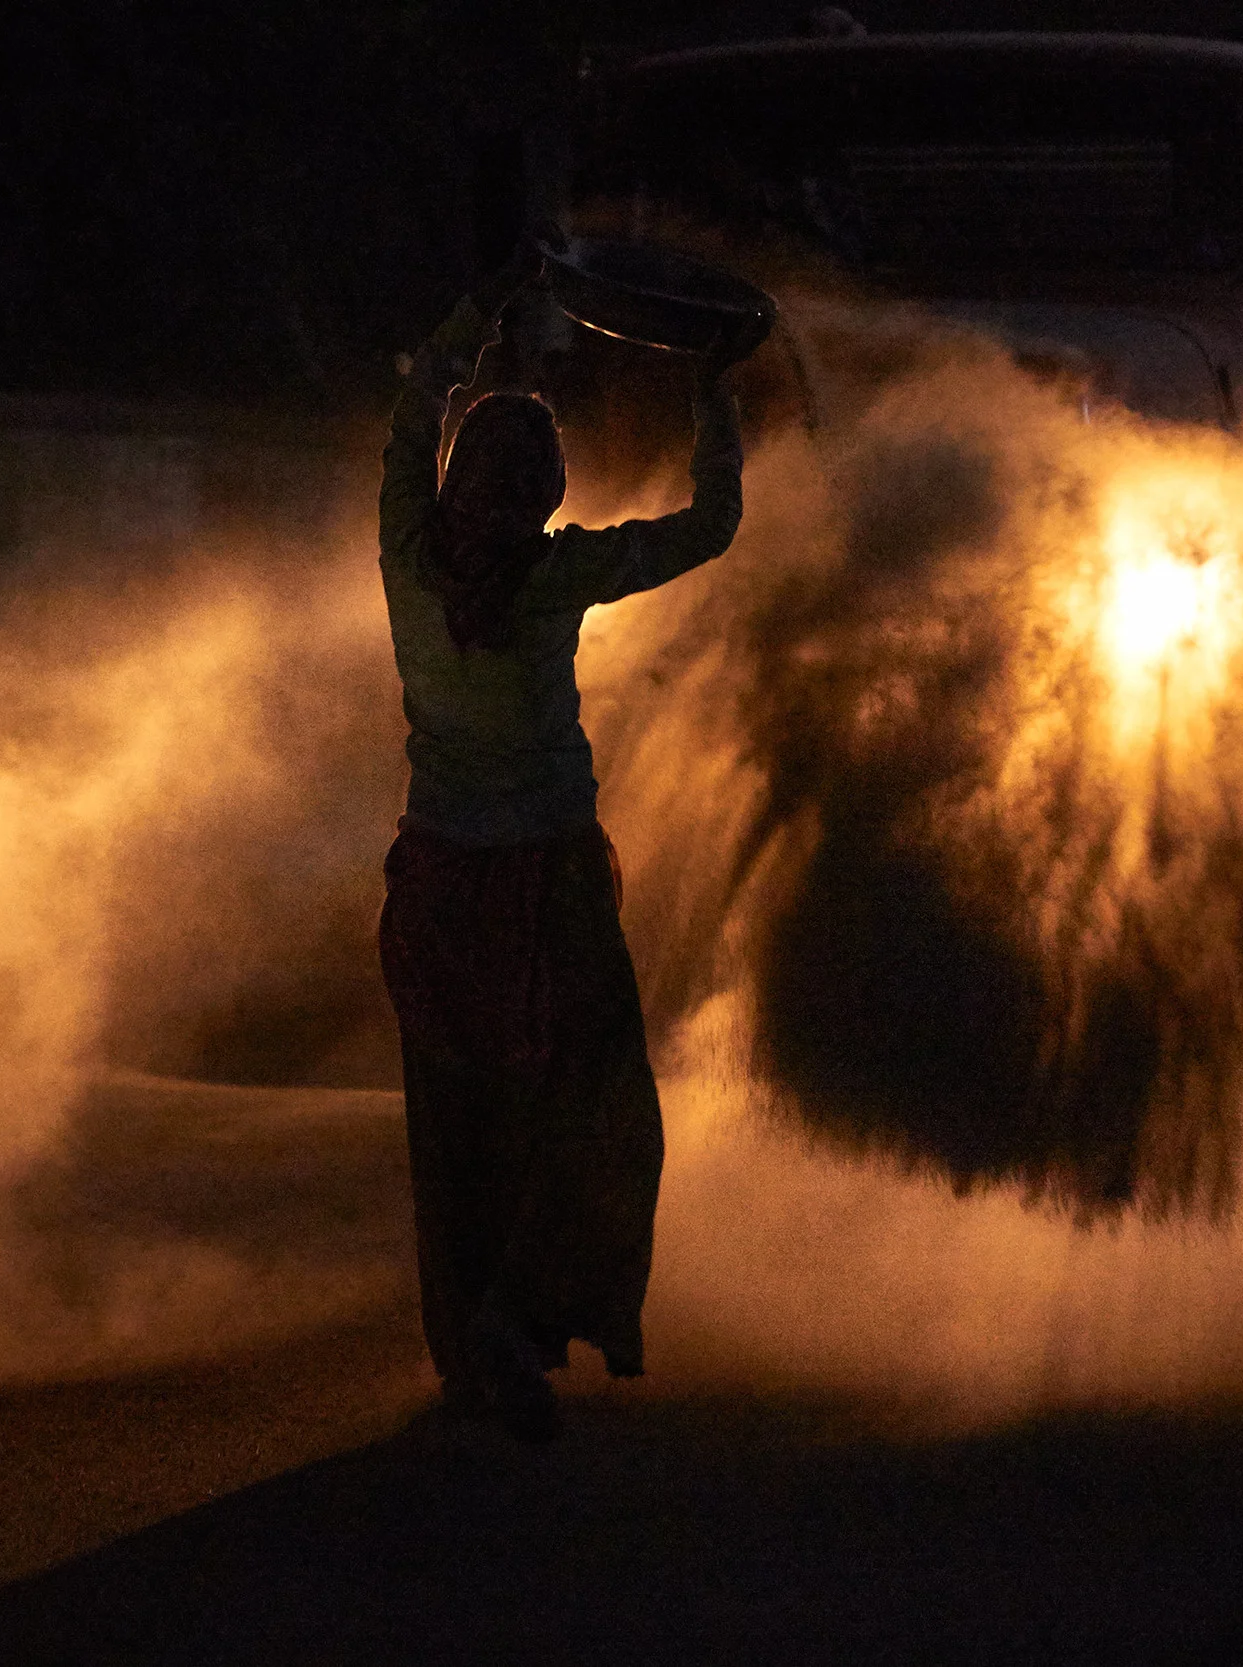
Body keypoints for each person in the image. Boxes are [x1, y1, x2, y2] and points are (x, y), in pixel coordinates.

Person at [376, 248, 744, 1442]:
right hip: (544, 887)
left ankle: (473, 1339)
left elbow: (407, 418)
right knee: (589, 1108)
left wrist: (474, 314)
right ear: (541, 491)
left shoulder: (404, 558)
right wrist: (710, 390)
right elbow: (712, 524)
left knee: (456, 1128)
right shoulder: (562, 572)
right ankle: (524, 1319)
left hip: (432, 888)